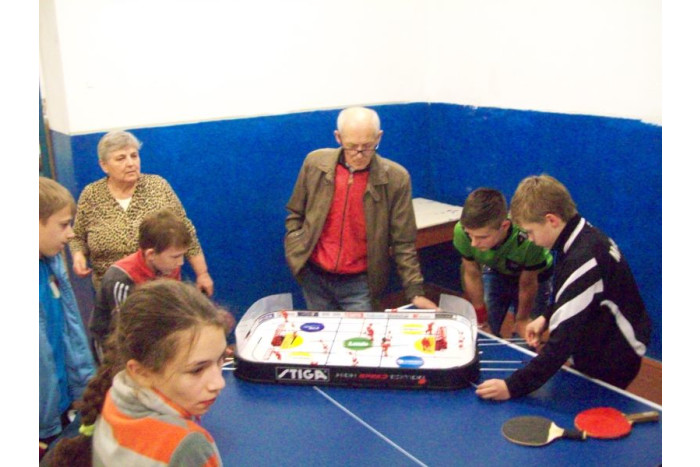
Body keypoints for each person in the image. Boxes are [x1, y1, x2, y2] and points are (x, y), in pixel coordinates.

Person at [476, 174, 651, 401]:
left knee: (590, 408)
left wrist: (511, 387)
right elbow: (574, 293)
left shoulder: (584, 259)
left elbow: (560, 345)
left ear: (551, 220)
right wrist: (546, 317)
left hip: (614, 356)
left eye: (530, 231)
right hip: (601, 338)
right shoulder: (581, 235)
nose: (529, 239)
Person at [43, 280, 228, 466]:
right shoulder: (190, 447)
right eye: (197, 370)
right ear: (140, 372)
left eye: (221, 359)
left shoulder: (112, 394)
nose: (219, 383)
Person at [284, 106, 437, 311]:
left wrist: (415, 291)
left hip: (360, 284)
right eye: (351, 147)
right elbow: (296, 212)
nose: (359, 154)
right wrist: (296, 247)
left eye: (367, 146)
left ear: (378, 137)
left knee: (361, 332)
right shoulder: (315, 164)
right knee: (323, 331)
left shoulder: (396, 179)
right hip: (314, 277)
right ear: (338, 137)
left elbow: (403, 242)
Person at [68, 130, 214, 296]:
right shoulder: (91, 195)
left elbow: (185, 231)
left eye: (134, 156)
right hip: (112, 291)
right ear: (104, 165)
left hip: (160, 290)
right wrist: (78, 255)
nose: (130, 163)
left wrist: (202, 273)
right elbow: (77, 236)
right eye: (121, 158)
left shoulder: (158, 187)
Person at [39, 177, 95, 459]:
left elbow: (68, 335)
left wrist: (80, 388)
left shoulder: (51, 264)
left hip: (58, 406)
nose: (71, 234)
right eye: (63, 225)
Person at [90, 208, 192, 361]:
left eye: (183, 255)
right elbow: (124, 332)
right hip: (114, 344)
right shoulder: (121, 279)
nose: (181, 262)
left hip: (150, 337)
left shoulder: (169, 268)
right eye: (175, 256)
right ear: (150, 254)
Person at [453, 188, 552, 337]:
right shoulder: (461, 231)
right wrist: (481, 319)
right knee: (483, 331)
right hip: (497, 269)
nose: (473, 243)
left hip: (534, 277)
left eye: (482, 237)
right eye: (470, 235)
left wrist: (522, 319)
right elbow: (472, 273)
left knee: (525, 335)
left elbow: (528, 284)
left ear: (504, 226)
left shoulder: (528, 238)